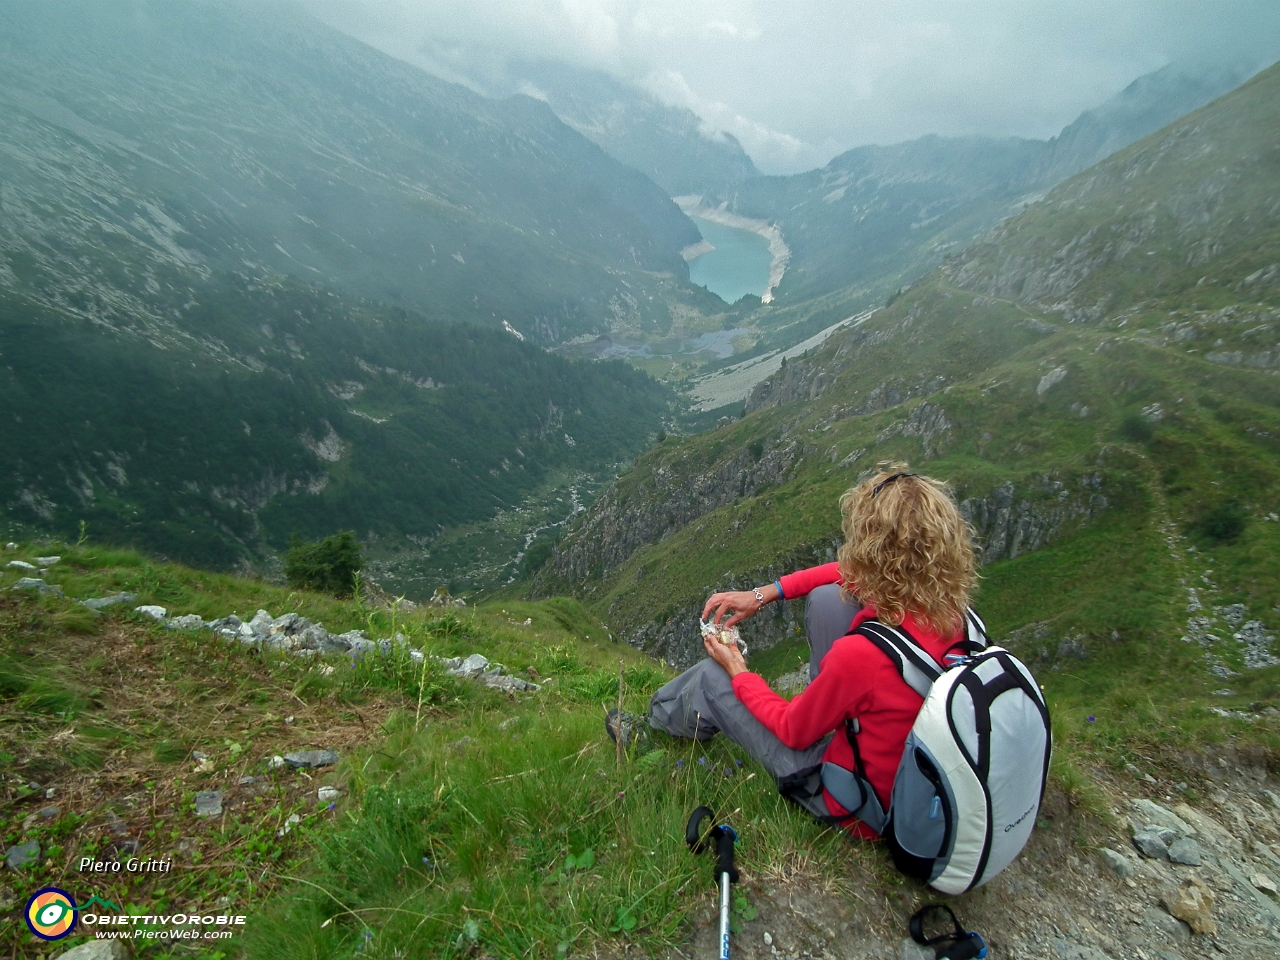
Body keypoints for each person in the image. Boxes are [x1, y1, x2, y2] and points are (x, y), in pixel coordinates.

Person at [643, 463, 980, 838]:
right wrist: (764, 594)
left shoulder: (862, 657)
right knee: (828, 600)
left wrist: (738, 668)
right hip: (908, 777)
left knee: (710, 677)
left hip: (854, 802)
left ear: (872, 555)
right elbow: (841, 573)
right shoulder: (958, 618)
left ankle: (651, 727)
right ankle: (830, 714)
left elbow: (793, 731)